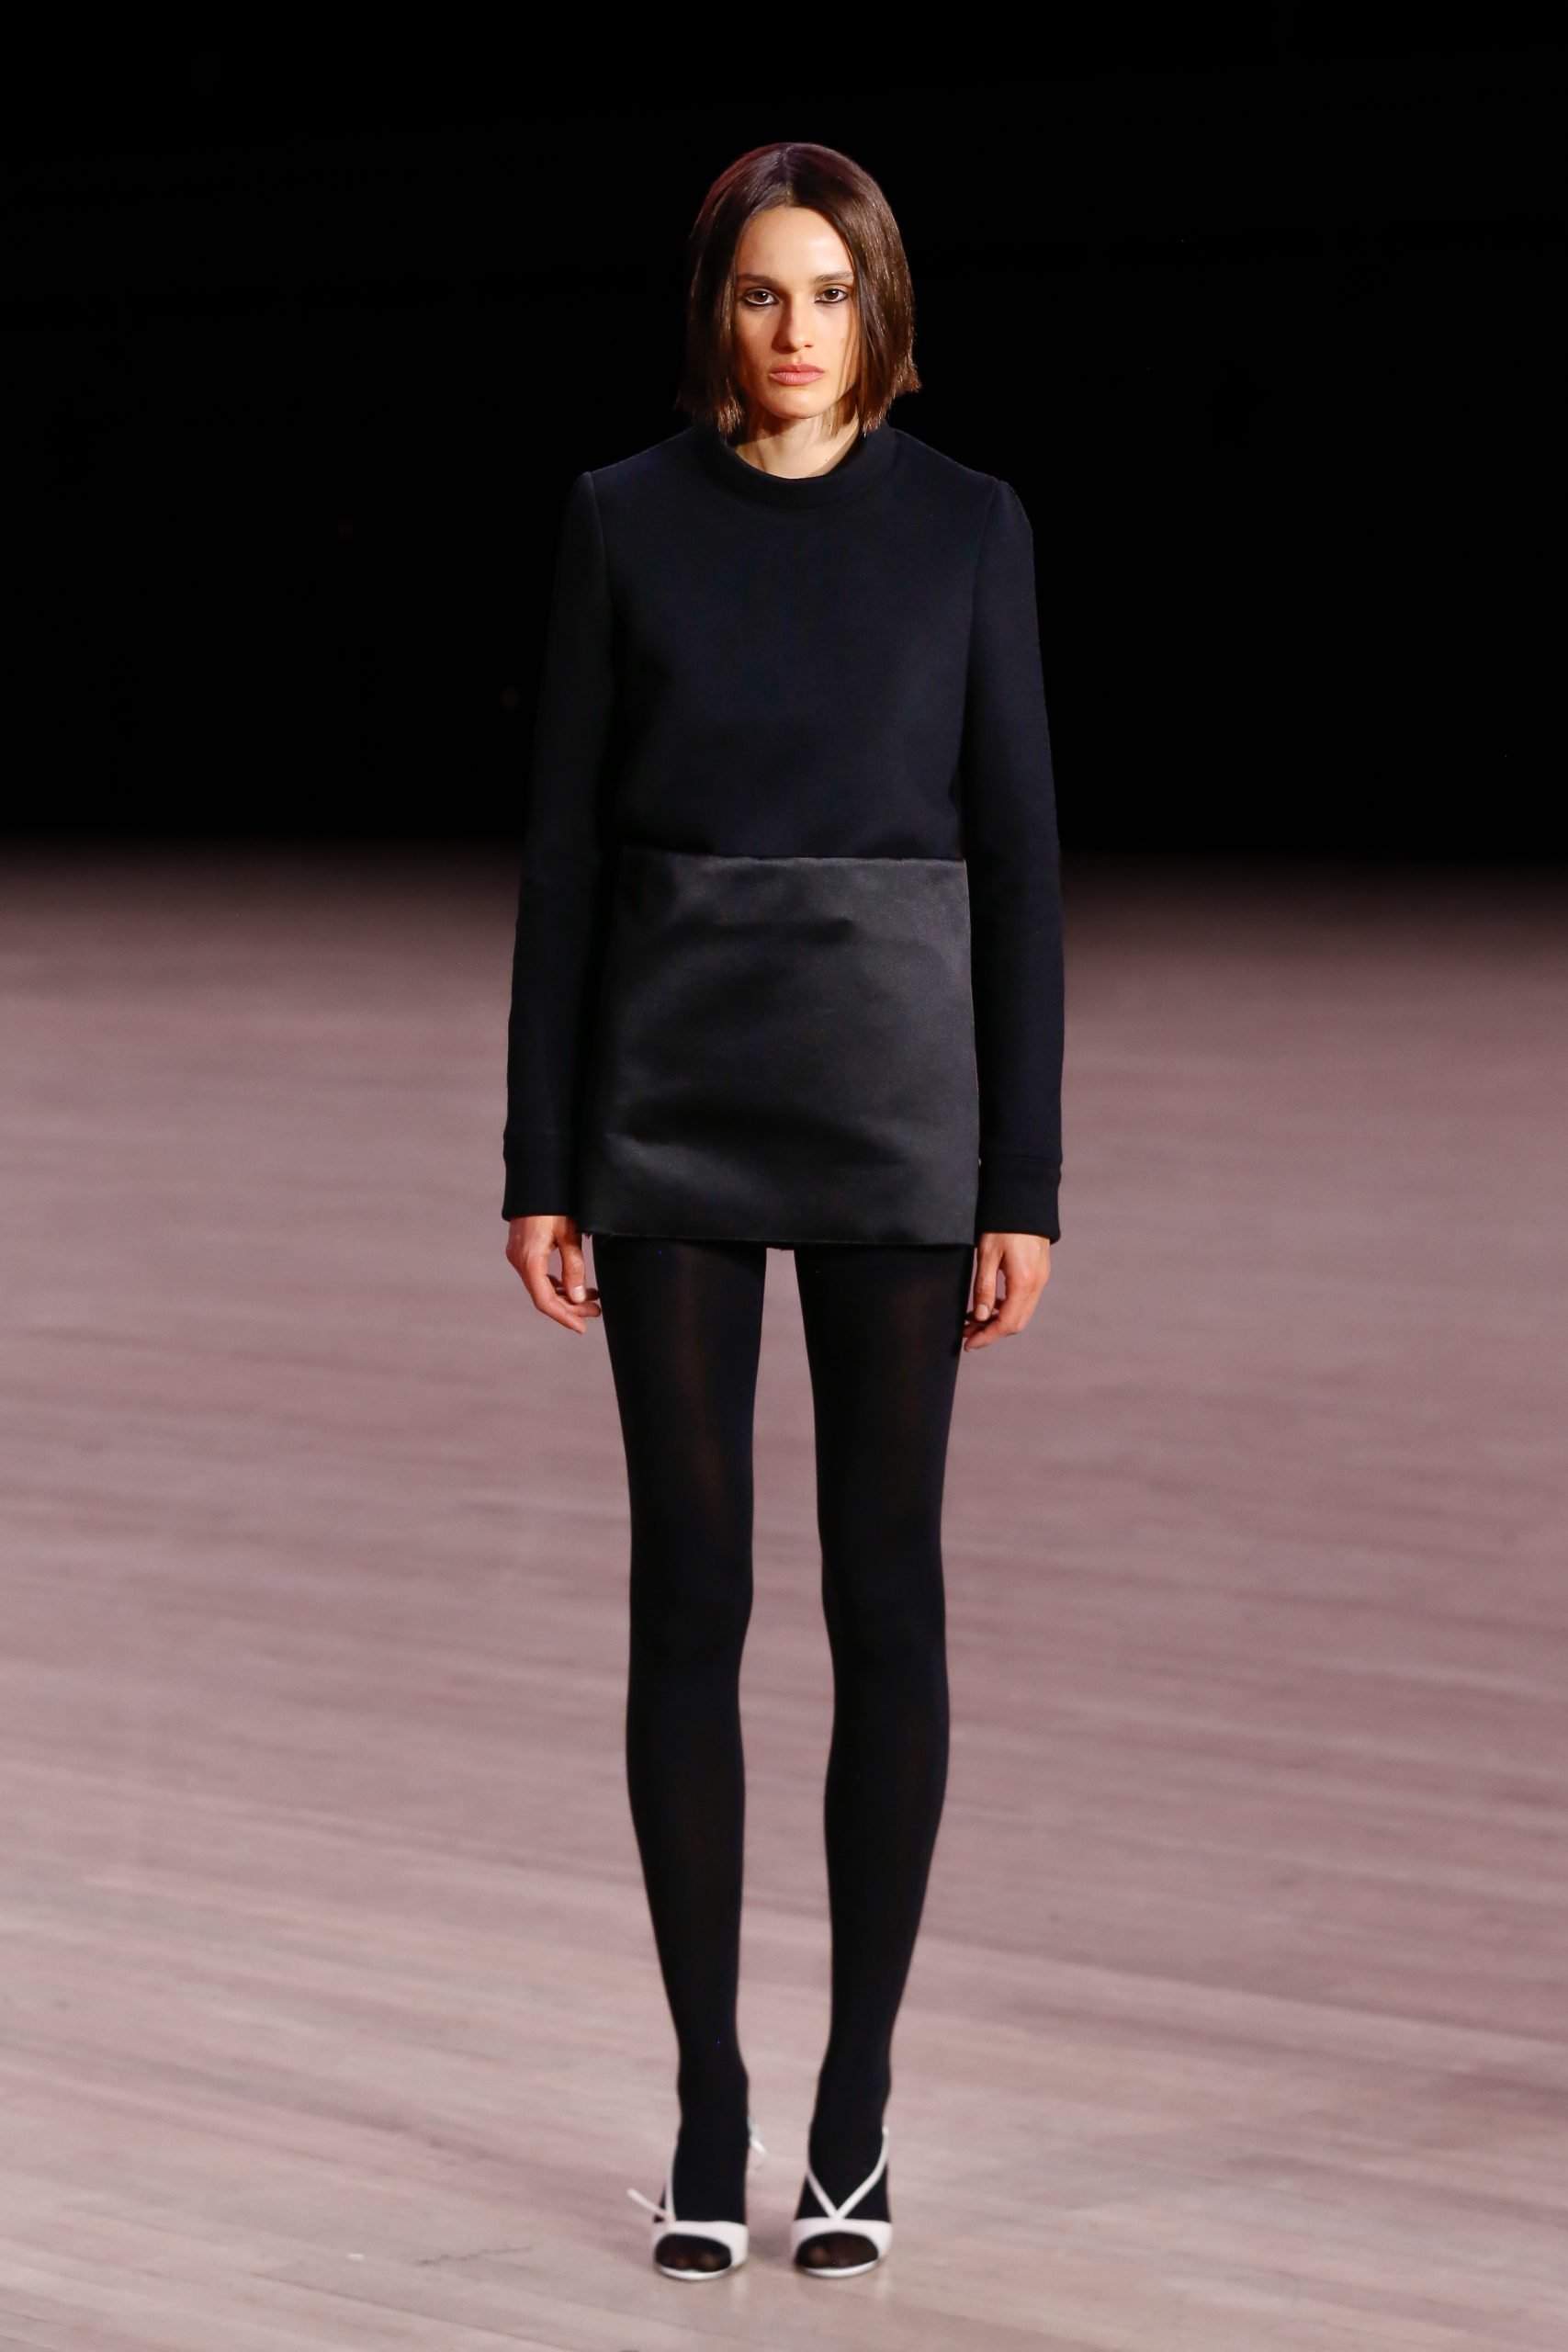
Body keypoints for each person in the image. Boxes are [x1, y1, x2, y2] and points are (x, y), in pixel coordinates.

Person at [502, 139, 1063, 2282]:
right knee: (690, 1589)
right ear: (714, 313)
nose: (795, 328)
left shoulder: (968, 527)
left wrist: (1021, 1173)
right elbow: (563, 853)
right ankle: (703, 2098)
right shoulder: (622, 518)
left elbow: (1018, 861)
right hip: (668, 1092)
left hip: (897, 1095)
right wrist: (538, 1157)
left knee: (883, 1588)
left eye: (828, 291)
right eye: (760, 291)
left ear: (879, 310)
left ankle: (852, 2111)